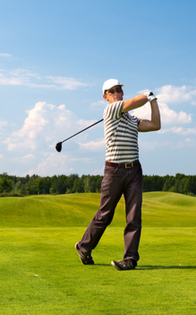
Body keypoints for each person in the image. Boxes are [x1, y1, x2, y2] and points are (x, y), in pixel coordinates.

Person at [75, 79, 160, 271]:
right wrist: (146, 95)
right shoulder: (110, 110)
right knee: (105, 214)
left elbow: (155, 124)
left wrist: (154, 101)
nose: (116, 93)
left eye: (119, 89)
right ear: (105, 96)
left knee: (134, 217)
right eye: (112, 91)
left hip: (134, 170)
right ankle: (84, 247)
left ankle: (130, 259)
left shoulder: (132, 120)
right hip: (114, 171)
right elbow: (137, 101)